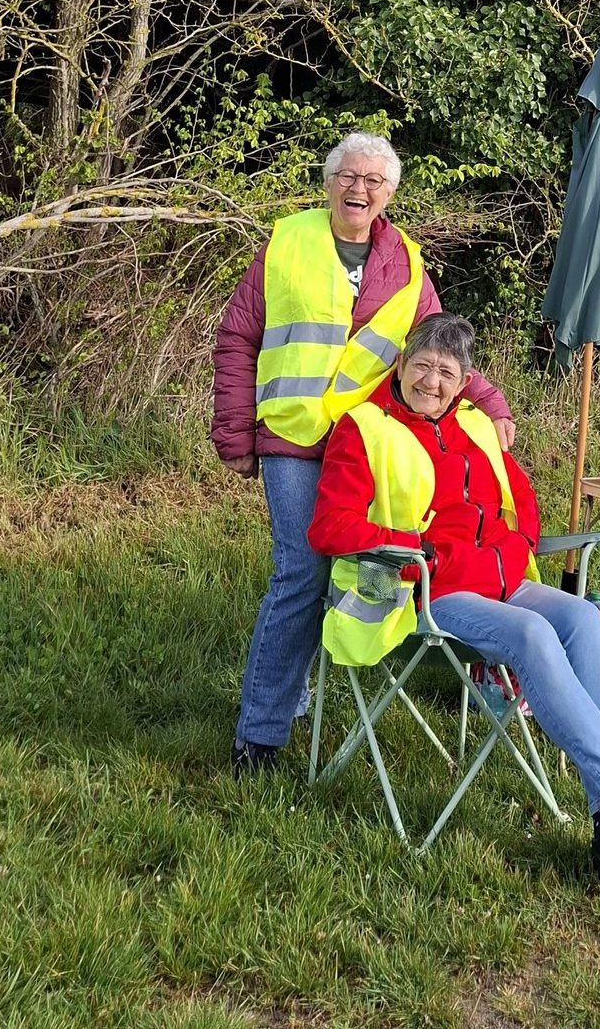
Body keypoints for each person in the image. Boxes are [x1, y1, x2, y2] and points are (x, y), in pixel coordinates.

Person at [307, 312, 600, 884]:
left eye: (446, 372)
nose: (432, 382)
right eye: (422, 366)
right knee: (532, 634)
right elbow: (331, 527)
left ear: (464, 380)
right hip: (427, 592)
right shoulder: (364, 428)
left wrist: (521, 540)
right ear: (400, 365)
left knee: (579, 616)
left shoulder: (475, 426)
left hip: (502, 579)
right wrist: (419, 550)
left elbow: (520, 496)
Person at [212, 133, 516, 776]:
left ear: (390, 192)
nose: (359, 189)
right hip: (294, 438)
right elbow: (238, 338)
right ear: (329, 182)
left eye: (374, 181)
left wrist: (489, 403)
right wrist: (235, 431)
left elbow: (438, 346)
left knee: (362, 570)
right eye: (348, 176)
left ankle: (315, 693)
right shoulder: (286, 243)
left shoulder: (405, 262)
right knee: (302, 574)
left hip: (366, 443)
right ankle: (259, 735)